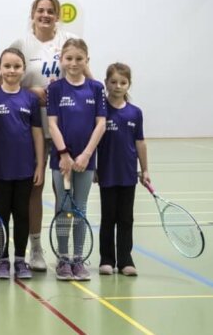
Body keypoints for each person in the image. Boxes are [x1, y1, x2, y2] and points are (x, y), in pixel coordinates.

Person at [9, 0, 79, 272]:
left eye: (51, 11)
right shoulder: (21, 44)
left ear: (57, 16)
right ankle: (35, 248)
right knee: (34, 189)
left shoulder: (69, 40)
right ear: (33, 14)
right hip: (33, 128)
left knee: (63, 190)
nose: (45, 15)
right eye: (40, 10)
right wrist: (31, 91)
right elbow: (8, 80)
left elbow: (85, 76)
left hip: (65, 128)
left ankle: (64, 251)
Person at [0, 48, 44, 280]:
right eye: (7, 66)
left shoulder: (30, 99)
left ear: (23, 70)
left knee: (22, 214)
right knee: (1, 215)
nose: (12, 70)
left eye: (16, 66)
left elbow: (37, 134)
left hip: (25, 169)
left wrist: (39, 165)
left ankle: (20, 260)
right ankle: (3, 260)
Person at [48, 39, 106, 281]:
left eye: (79, 59)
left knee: (80, 209)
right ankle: (63, 259)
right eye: (69, 58)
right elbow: (52, 123)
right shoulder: (55, 88)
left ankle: (78, 258)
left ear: (87, 61)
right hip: (61, 161)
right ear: (61, 60)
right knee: (63, 209)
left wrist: (86, 155)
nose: (73, 63)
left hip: (85, 161)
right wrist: (64, 154)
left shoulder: (96, 88)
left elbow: (101, 124)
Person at [97, 63, 148, 277]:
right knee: (108, 218)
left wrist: (145, 170)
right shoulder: (100, 111)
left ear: (129, 84)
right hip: (107, 174)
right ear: (106, 83)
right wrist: (94, 168)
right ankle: (107, 259)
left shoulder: (135, 113)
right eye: (113, 82)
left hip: (128, 175)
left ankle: (126, 260)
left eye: (123, 82)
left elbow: (140, 142)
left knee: (126, 219)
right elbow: (94, 141)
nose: (118, 86)